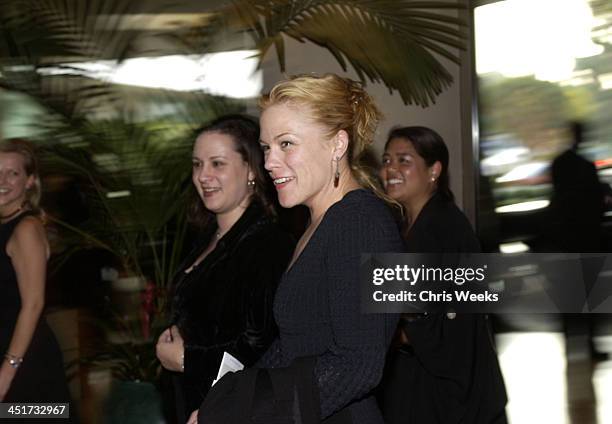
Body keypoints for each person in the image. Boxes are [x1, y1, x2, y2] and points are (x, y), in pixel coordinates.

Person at [192, 73, 404, 424]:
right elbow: (294, 347)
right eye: (265, 148)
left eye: (286, 144)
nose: (270, 162)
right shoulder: (320, 224)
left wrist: (239, 412)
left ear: (337, 145)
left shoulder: (360, 223)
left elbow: (358, 366)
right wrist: (224, 401)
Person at [155, 115, 295, 423]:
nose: (203, 175)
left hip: (228, 410)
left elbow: (263, 347)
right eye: (196, 164)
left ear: (250, 170)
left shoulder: (267, 245)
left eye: (217, 163)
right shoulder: (207, 235)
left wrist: (185, 359)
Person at [378, 126, 507, 423]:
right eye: (386, 160)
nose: (390, 170)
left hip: (449, 395)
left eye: (403, 161)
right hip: (418, 383)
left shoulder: (444, 229)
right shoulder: (401, 227)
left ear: (434, 170)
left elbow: (448, 326)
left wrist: (385, 331)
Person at [0, 139, 71, 404]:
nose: (3, 180)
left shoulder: (26, 228)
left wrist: (8, 371)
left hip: (24, 360)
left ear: (29, 181)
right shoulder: (5, 225)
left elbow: (34, 304)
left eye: (13, 173)